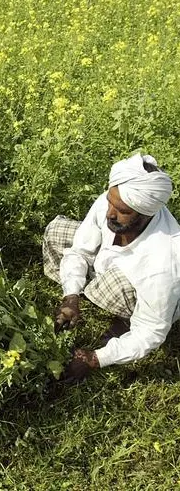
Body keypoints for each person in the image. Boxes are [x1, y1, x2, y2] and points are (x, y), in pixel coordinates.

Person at [43, 153, 180, 381]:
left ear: (146, 215)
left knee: (115, 284)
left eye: (123, 212)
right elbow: (80, 250)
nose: (109, 213)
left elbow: (152, 332)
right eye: (110, 202)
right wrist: (71, 297)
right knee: (56, 231)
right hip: (107, 265)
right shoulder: (117, 199)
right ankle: (86, 290)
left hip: (146, 293)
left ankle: (125, 321)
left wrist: (95, 358)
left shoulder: (163, 261)